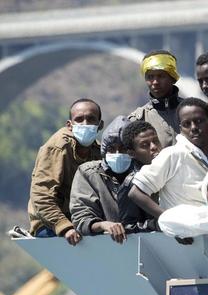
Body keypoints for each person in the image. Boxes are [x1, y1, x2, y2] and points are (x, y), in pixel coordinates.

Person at [129, 97, 208, 223]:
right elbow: (136, 193)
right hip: (181, 238)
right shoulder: (173, 155)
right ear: (180, 128)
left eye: (199, 121)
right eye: (186, 124)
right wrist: (173, 222)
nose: (193, 127)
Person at [28, 99, 102, 245]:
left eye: (91, 119)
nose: (85, 124)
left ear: (100, 125)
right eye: (79, 120)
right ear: (69, 125)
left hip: (82, 220)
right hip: (50, 223)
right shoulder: (57, 148)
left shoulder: (99, 151)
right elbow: (41, 194)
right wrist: (64, 227)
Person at [70, 116, 130, 244]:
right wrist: (103, 225)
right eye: (112, 149)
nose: (118, 154)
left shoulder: (145, 172)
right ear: (104, 151)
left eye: (124, 149)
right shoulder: (88, 173)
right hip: (104, 245)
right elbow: (81, 218)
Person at [128, 50, 182, 149]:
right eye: (150, 77)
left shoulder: (192, 111)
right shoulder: (138, 119)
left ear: (172, 77)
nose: (155, 82)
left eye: (161, 76)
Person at [117, 120, 162, 233]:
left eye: (155, 141)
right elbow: (128, 226)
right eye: (145, 145)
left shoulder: (169, 170)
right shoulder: (131, 184)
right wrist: (157, 224)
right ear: (132, 153)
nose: (154, 147)